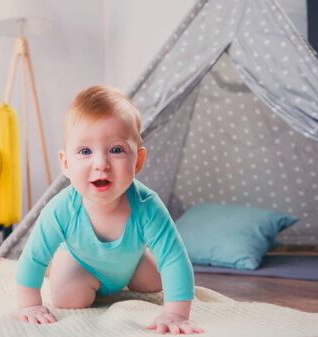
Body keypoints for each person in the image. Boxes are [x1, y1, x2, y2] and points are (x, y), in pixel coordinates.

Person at [15, 85, 203, 335]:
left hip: (131, 261)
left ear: (137, 161)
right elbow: (33, 257)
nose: (101, 164)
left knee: (159, 282)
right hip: (80, 263)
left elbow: (174, 258)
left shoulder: (148, 206)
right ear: (66, 164)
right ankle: (62, 260)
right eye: (85, 151)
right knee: (67, 298)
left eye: (116, 150)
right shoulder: (61, 209)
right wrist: (30, 305)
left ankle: (130, 272)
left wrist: (176, 314)